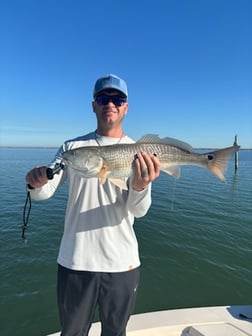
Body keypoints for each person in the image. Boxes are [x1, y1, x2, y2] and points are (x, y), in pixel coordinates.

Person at [25, 74, 161, 336]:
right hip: (75, 262)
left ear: (126, 106)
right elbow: (44, 192)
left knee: (115, 332)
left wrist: (141, 186)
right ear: (94, 105)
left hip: (122, 264)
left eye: (117, 98)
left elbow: (139, 211)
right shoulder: (72, 148)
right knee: (72, 332)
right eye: (103, 98)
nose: (110, 103)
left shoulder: (139, 152)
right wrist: (36, 183)